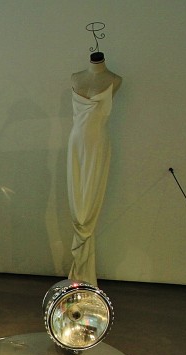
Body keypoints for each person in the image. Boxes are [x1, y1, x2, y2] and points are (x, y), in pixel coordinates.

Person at [67, 52, 121, 285]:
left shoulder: (115, 80)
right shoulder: (75, 77)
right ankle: (79, 270)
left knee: (90, 199)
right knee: (76, 197)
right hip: (76, 143)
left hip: (97, 144)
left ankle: (84, 271)